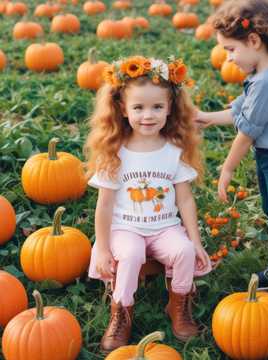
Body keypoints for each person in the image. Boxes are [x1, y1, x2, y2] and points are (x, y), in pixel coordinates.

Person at [84, 55, 212, 352]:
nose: (148, 115)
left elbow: (185, 199)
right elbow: (103, 206)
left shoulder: (173, 150)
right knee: (129, 255)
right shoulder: (116, 152)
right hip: (125, 227)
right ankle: (122, 312)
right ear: (123, 110)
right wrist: (102, 248)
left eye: (157, 107)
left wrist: (196, 241)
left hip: (164, 226)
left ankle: (179, 305)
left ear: (170, 108)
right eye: (138, 107)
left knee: (182, 251)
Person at [195, 0, 268, 317]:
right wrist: (205, 116)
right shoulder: (266, 71)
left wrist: (227, 170)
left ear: (254, 41)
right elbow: (240, 109)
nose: (228, 58)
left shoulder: (267, 82)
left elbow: (245, 133)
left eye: (231, 50)